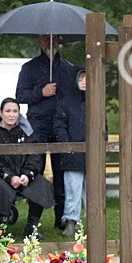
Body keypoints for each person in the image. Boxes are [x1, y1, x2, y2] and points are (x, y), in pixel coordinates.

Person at [15, 34, 76, 229]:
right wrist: (41, 92)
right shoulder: (29, 68)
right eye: (45, 39)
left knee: (62, 172)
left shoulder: (68, 68)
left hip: (61, 127)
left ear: (59, 40)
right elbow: (20, 95)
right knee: (36, 172)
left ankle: (61, 220)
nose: (49, 42)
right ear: (38, 41)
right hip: (38, 125)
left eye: (53, 38)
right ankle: (32, 223)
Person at [0, 98, 55, 238]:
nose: (11, 114)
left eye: (15, 111)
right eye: (8, 111)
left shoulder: (26, 133)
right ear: (0, 113)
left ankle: (32, 227)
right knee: (1, 189)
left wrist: (27, 175)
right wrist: (9, 176)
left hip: (22, 176)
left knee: (42, 185)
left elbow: (35, 157)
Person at [53, 68, 88, 238]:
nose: (84, 82)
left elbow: (102, 126)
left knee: (94, 191)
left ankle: (94, 223)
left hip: (92, 153)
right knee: (73, 189)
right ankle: (70, 222)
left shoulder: (97, 102)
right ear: (75, 81)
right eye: (81, 78)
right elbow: (59, 126)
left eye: (87, 78)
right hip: (72, 154)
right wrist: (68, 147)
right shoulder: (65, 103)